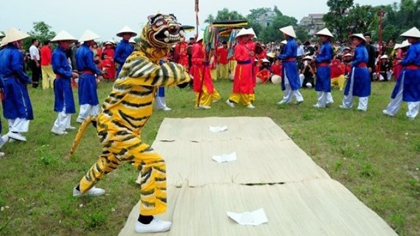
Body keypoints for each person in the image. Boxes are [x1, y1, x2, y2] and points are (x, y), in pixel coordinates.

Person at [72, 13, 190, 234]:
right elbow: (157, 74)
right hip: (114, 126)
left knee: (110, 161)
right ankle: (145, 221)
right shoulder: (137, 61)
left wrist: (179, 73)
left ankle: (81, 189)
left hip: (123, 127)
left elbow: (161, 72)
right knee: (153, 162)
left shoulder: (149, 60)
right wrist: (182, 73)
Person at [0, 28, 33, 142]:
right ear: (15, 42)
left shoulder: (1, 52)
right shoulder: (15, 52)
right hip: (14, 82)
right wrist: (26, 78)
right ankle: (14, 132)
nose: (22, 43)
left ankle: (12, 135)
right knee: (24, 107)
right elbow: (17, 68)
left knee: (10, 107)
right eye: (20, 41)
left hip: (4, 82)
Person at [383, 28, 420, 119]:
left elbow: (410, 59)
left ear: (414, 38)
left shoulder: (413, 47)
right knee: (415, 92)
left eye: (409, 37)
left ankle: (391, 110)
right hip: (417, 72)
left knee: (399, 91)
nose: (407, 39)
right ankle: (412, 114)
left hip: (409, 72)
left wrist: (402, 62)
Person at [50, 31, 79, 135]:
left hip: (65, 79)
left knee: (68, 101)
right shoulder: (57, 53)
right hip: (61, 80)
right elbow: (57, 69)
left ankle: (65, 124)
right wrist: (70, 74)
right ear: (61, 42)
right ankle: (57, 127)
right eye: (68, 42)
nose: (69, 44)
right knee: (64, 103)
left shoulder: (62, 52)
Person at [75, 30, 102, 123]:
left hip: (82, 74)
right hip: (88, 75)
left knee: (88, 94)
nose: (93, 41)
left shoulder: (78, 50)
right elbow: (90, 65)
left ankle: (95, 114)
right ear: (89, 40)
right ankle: (82, 116)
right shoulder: (88, 51)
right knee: (88, 95)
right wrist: (99, 71)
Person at [339, 34, 371, 111]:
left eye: (355, 40)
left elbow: (359, 59)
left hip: (357, 69)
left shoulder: (358, 49)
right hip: (364, 69)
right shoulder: (364, 48)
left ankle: (347, 104)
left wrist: (352, 63)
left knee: (350, 87)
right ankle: (362, 106)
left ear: (360, 40)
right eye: (353, 40)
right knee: (363, 87)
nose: (353, 41)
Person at [226, 28, 255, 109]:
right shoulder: (238, 47)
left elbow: (249, 55)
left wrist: (251, 54)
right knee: (243, 84)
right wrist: (248, 55)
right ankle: (246, 102)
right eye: (244, 37)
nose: (246, 38)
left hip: (248, 67)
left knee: (245, 83)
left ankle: (232, 100)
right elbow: (238, 57)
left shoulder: (247, 45)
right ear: (240, 38)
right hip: (242, 67)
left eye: (246, 36)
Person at [192, 31, 221, 109]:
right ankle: (202, 103)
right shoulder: (197, 46)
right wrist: (202, 60)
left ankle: (201, 102)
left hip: (206, 68)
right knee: (205, 86)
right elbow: (194, 59)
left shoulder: (205, 46)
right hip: (200, 69)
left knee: (207, 84)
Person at [277, 26, 304, 105]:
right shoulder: (293, 42)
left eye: (284, 33)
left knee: (288, 81)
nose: (283, 34)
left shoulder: (289, 43)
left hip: (288, 64)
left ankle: (297, 97)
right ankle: (288, 99)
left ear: (287, 34)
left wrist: (279, 56)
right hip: (291, 63)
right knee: (290, 81)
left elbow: (288, 54)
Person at [314, 28, 334, 108]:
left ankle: (321, 103)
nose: (320, 37)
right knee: (321, 84)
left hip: (324, 67)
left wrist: (318, 59)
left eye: (322, 36)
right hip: (321, 67)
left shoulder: (327, 46)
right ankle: (326, 101)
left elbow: (328, 57)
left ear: (326, 37)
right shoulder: (323, 46)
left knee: (323, 84)